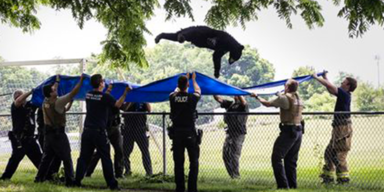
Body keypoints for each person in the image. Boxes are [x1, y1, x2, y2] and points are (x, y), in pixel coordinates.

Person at [75, 74, 130, 190]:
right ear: (100, 84)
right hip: (99, 133)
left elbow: (101, 98)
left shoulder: (88, 95)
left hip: (87, 131)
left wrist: (108, 90)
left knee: (84, 157)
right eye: (103, 81)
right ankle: (112, 185)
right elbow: (118, 104)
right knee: (106, 158)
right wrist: (125, 93)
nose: (104, 82)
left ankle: (77, 181)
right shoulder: (104, 97)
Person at [251, 79, 304, 189]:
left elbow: (267, 104)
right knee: (291, 160)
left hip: (289, 131)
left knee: (277, 157)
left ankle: (283, 186)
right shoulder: (298, 98)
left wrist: (257, 97)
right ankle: (292, 186)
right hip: (298, 130)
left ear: (287, 87)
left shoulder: (284, 98)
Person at [34, 74, 84, 186]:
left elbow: (56, 92)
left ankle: (39, 179)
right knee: (67, 157)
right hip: (58, 135)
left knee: (46, 158)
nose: (55, 90)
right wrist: (81, 81)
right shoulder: (58, 102)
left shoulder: (45, 102)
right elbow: (73, 93)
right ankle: (70, 181)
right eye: (53, 89)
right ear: (51, 93)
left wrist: (57, 81)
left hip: (48, 134)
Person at [313, 72, 357, 184]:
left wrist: (316, 77)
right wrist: (325, 77)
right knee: (329, 153)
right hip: (338, 127)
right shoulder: (342, 93)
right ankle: (328, 178)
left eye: (344, 81)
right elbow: (331, 89)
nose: (342, 82)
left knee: (339, 155)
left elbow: (331, 87)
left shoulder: (345, 94)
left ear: (348, 86)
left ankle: (343, 180)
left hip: (343, 128)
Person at [169, 72, 201, 192]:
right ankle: (192, 189)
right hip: (190, 134)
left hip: (177, 134)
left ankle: (180, 188)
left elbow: (175, 91)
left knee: (178, 163)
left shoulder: (172, 97)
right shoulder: (192, 98)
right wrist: (193, 80)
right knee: (194, 162)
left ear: (178, 85)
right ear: (187, 85)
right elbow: (198, 90)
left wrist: (185, 80)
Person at [0, 89, 42, 180]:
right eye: (18, 96)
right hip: (19, 140)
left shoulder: (30, 106)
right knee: (15, 159)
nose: (20, 97)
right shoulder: (15, 107)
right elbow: (18, 101)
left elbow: (38, 102)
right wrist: (30, 92)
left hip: (30, 139)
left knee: (39, 158)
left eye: (21, 95)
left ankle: (47, 176)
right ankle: (5, 177)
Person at [86, 85, 124, 179]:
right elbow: (106, 97)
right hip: (105, 128)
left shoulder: (116, 99)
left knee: (119, 150)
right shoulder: (104, 98)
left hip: (115, 127)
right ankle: (88, 172)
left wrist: (126, 94)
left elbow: (122, 106)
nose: (110, 90)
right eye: (109, 88)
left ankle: (119, 173)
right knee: (99, 152)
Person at [213, 95, 248, 179]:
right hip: (229, 133)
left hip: (239, 133)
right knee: (225, 155)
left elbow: (243, 101)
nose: (235, 95)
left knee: (234, 155)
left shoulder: (243, 106)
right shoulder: (230, 104)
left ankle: (236, 176)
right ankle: (232, 175)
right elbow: (218, 99)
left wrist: (238, 92)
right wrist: (214, 89)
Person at [121, 102, 153, 176]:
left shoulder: (142, 101)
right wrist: (131, 100)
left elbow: (149, 110)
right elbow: (124, 109)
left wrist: (144, 99)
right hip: (128, 129)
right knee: (125, 152)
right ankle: (127, 171)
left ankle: (149, 172)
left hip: (141, 129)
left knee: (145, 151)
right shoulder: (127, 99)